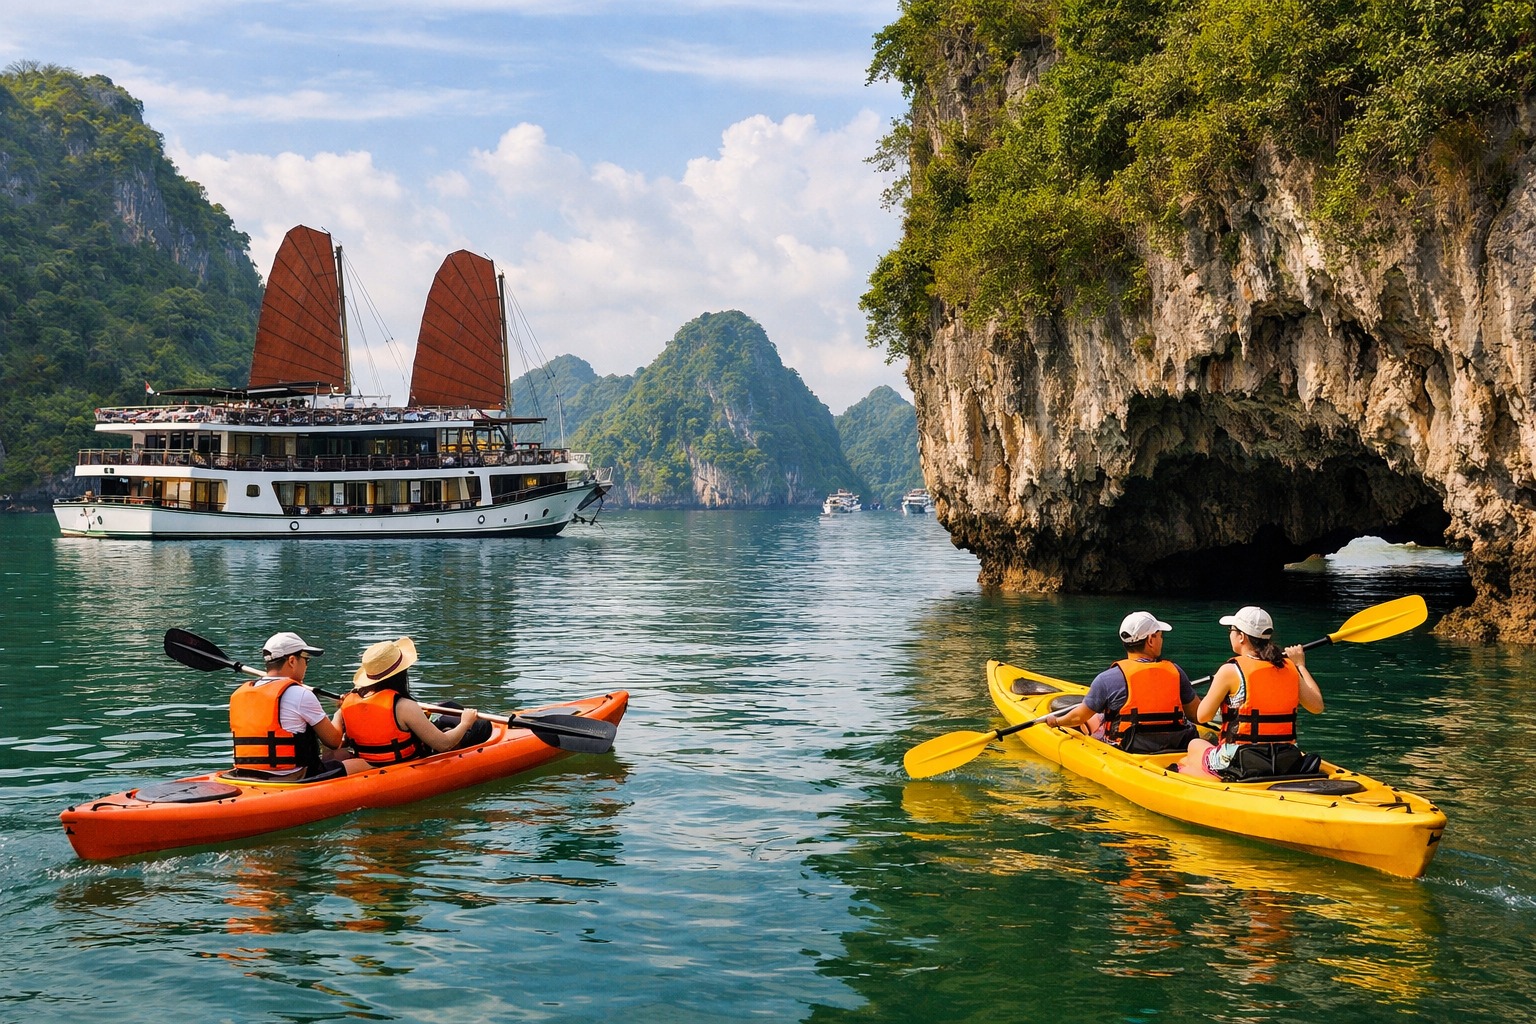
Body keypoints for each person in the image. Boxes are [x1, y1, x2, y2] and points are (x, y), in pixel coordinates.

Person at [1179, 606, 1325, 780]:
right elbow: (1317, 706)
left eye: (1231, 630)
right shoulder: (1290, 668)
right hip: (1284, 759)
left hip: (1242, 761)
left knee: (1195, 745)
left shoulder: (1229, 671)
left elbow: (1202, 716)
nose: (1230, 634)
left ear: (1241, 636)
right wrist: (1300, 665)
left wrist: (1220, 694)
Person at [1045, 611, 1200, 753]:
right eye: (1160, 635)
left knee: (1095, 719)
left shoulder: (1106, 679)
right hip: (1176, 745)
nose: (1162, 640)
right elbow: (1196, 715)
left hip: (1129, 747)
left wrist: (1056, 721)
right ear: (1150, 640)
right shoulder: (1176, 672)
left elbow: (1078, 718)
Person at [332, 637, 491, 773]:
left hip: (369, 758)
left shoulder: (347, 701)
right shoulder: (404, 706)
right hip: (400, 763)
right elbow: (444, 745)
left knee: (449, 705)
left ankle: (448, 726)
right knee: (483, 726)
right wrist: (465, 723)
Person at [229, 632, 349, 780]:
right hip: (291, 776)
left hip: (245, 775)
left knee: (337, 756)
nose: (306, 665)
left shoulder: (239, 694)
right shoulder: (301, 694)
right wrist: (340, 712)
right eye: (306, 660)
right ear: (292, 661)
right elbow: (334, 741)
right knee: (361, 763)